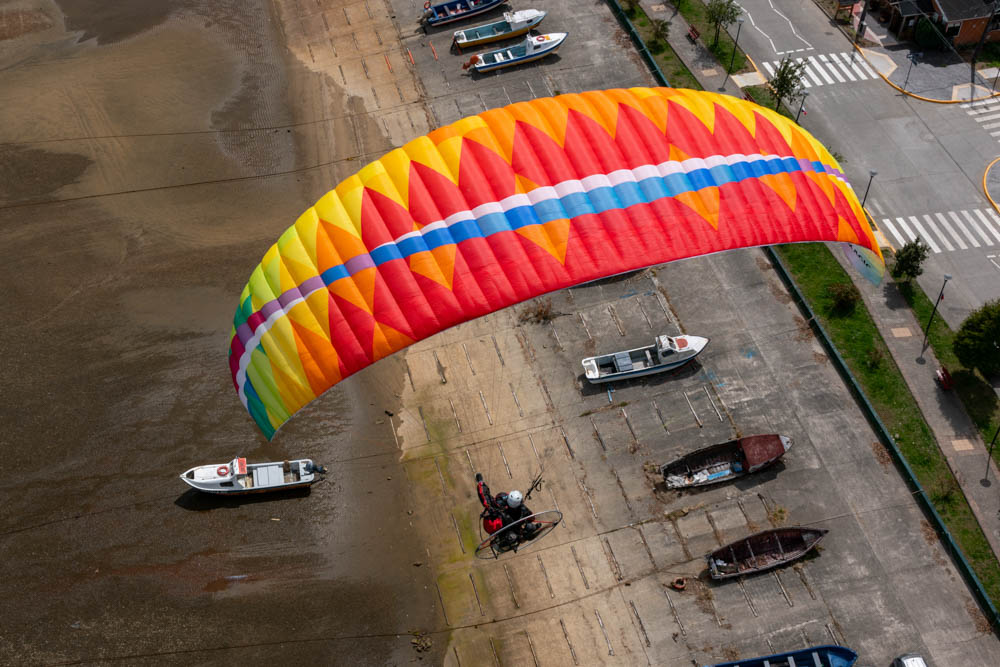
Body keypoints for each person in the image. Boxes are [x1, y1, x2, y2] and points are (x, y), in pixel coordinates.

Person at [475, 473, 539, 549]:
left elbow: (485, 496)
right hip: (502, 530)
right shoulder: (499, 506)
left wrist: (480, 482)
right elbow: (485, 496)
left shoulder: (521, 509)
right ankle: (501, 544)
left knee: (530, 527)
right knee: (512, 536)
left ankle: (522, 536)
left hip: (511, 527)